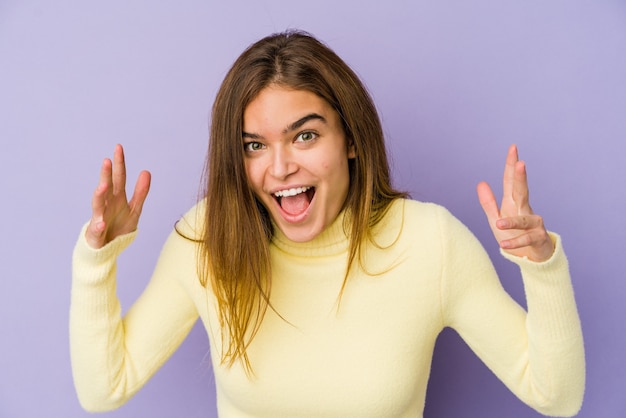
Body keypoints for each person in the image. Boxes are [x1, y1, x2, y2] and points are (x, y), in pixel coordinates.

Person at [70, 30, 585, 417]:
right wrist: (98, 261)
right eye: (255, 145)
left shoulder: (430, 243)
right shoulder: (209, 239)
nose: (280, 167)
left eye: (305, 136)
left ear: (352, 139)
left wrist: (541, 267)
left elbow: (556, 395)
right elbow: (104, 388)